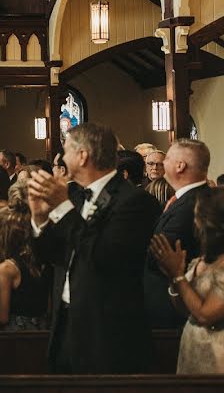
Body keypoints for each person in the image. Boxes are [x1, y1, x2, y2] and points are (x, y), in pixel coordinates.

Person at [27, 122, 161, 373]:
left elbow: (105, 256)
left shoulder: (134, 201)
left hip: (107, 330)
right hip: (66, 322)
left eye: (66, 151)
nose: (62, 159)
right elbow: (49, 256)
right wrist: (39, 218)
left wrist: (63, 208)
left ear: (83, 156)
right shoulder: (75, 196)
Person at [150, 187, 224, 373]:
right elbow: (186, 309)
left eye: (197, 215)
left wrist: (178, 276)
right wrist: (172, 277)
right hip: (193, 346)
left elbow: (205, 314)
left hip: (219, 353)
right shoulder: (202, 259)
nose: (194, 221)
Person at [144, 139, 210, 329]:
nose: (163, 164)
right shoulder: (190, 199)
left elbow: (160, 254)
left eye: (168, 158)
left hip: (173, 306)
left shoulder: (191, 205)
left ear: (180, 166)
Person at [0, 181, 50, 330]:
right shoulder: (43, 260)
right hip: (44, 327)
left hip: (18, 332)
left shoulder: (7, 268)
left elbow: (2, 317)